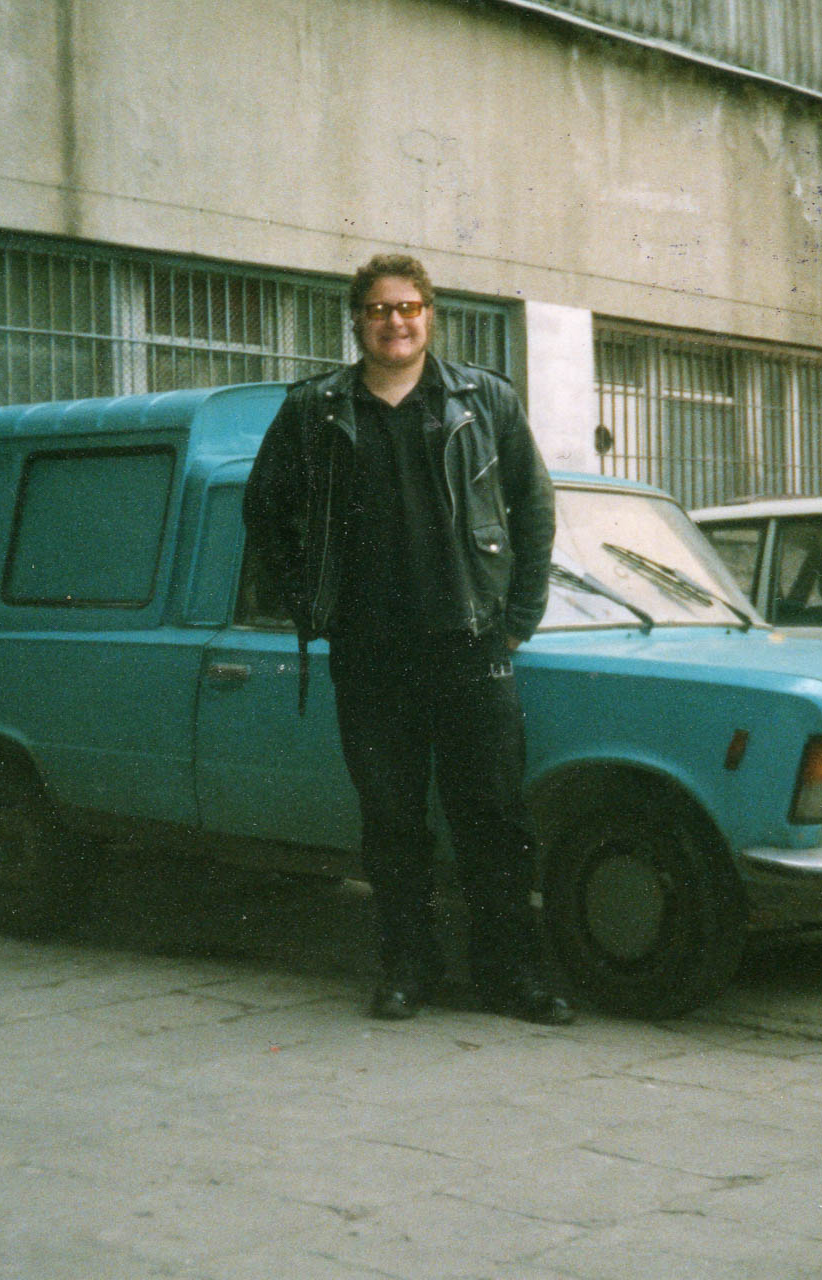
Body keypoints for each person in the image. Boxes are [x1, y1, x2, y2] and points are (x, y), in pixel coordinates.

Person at [242, 254, 573, 1025]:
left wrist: (518, 619)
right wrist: (312, 606)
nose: (395, 322)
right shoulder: (315, 409)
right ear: (357, 321)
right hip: (370, 653)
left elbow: (533, 506)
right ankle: (407, 968)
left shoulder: (483, 400)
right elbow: (265, 511)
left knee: (494, 819)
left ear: (430, 315)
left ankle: (511, 975)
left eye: (409, 307)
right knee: (392, 821)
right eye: (379, 309)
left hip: (470, 645)